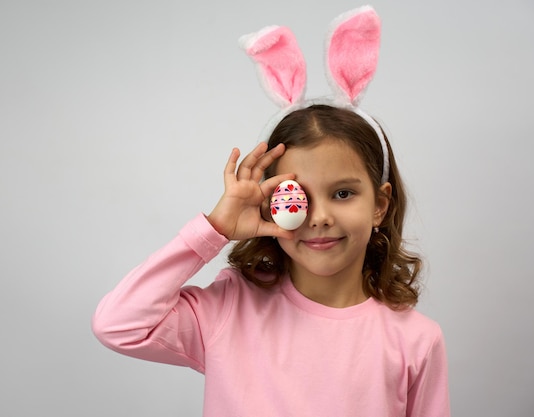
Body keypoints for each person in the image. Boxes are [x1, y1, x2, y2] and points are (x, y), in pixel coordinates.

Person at [93, 7, 450, 416]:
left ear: (380, 205)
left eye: (343, 194)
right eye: (295, 197)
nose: (318, 218)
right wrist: (215, 230)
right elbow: (118, 324)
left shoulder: (416, 340)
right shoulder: (230, 309)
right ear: (269, 205)